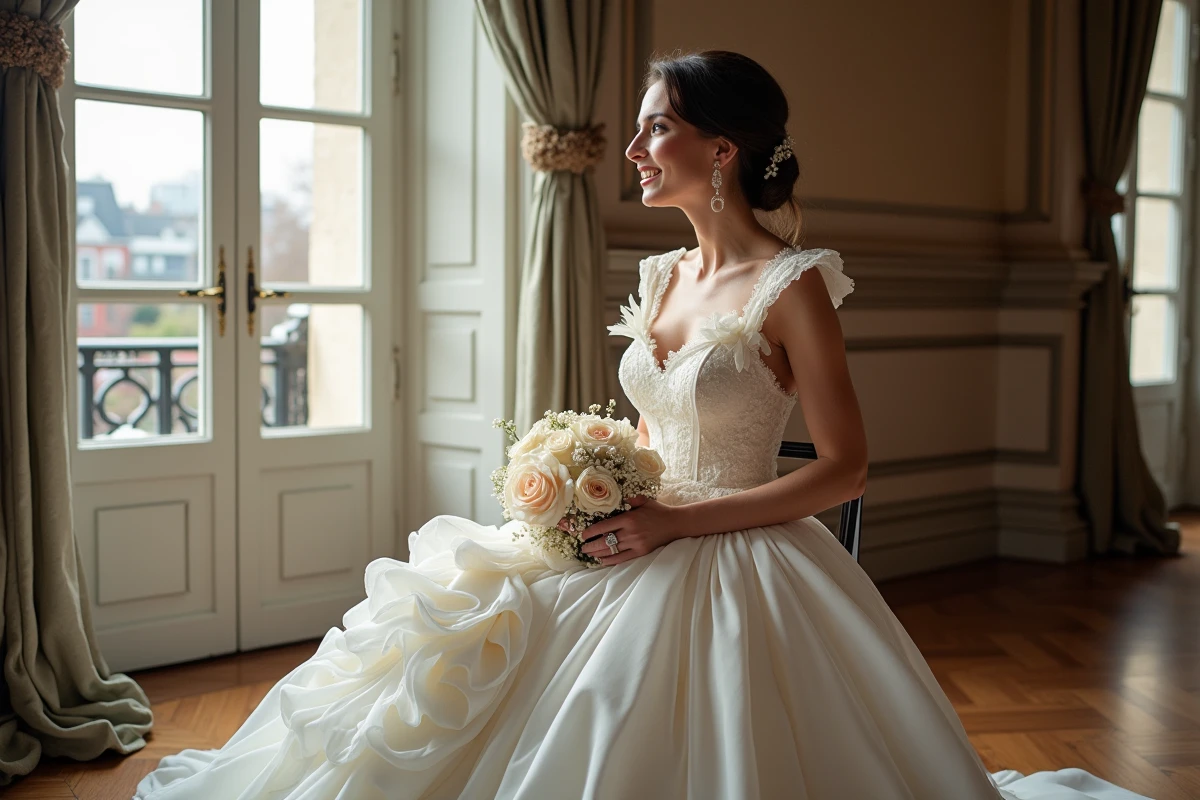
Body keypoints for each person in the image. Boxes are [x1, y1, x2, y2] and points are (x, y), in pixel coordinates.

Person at [133, 50, 1151, 800]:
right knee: (463, 632)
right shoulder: (661, 271)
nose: (632, 149)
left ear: (723, 147)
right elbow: (654, 420)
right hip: (638, 524)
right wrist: (599, 476)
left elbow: (845, 468)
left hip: (737, 548)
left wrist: (671, 523)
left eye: (655, 127)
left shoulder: (796, 285)